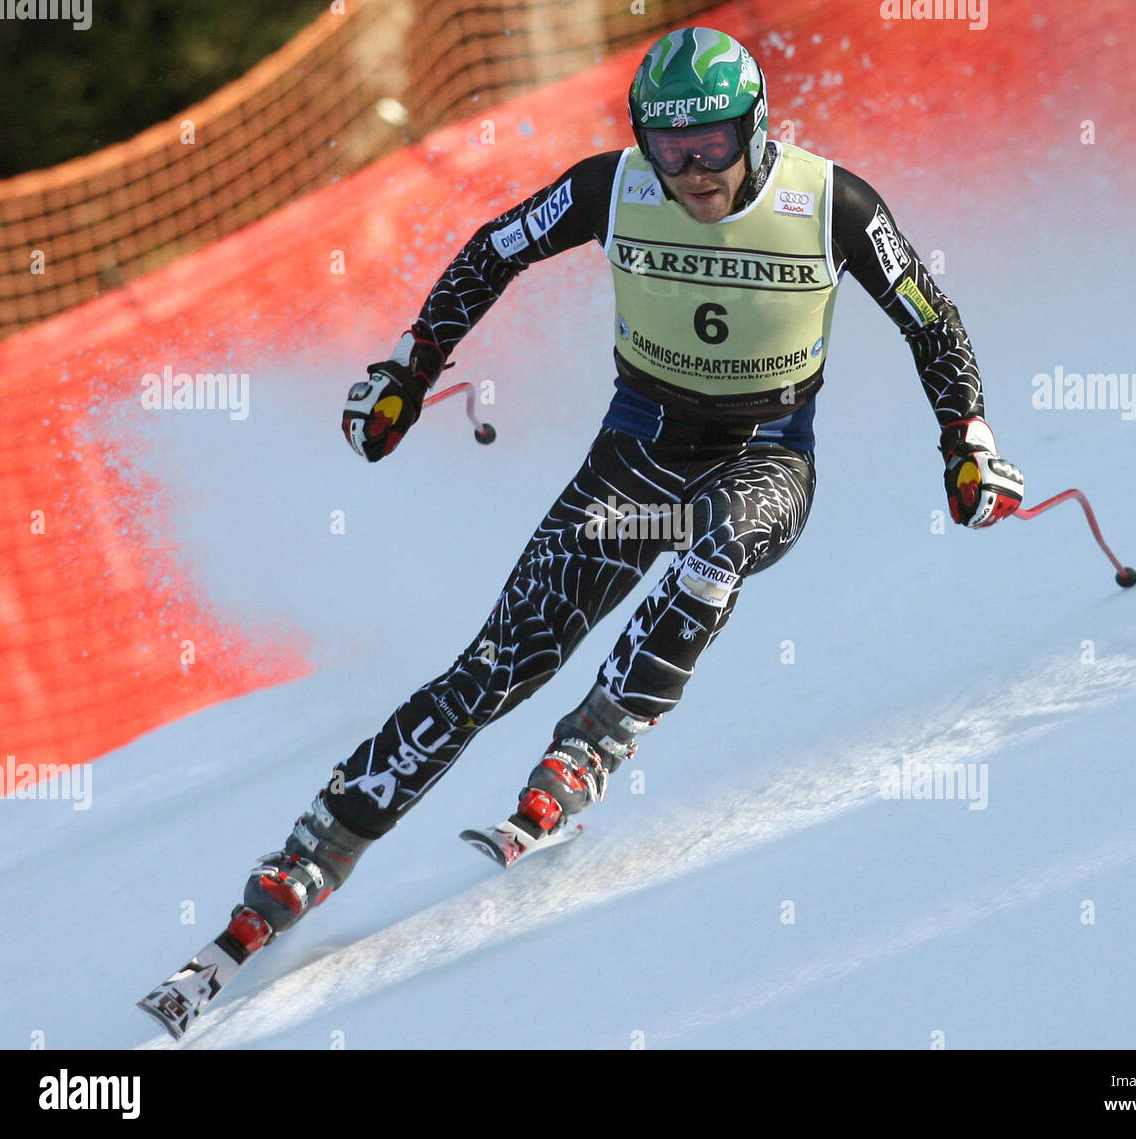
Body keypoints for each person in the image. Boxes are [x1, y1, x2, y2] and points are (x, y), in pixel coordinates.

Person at [225, 26, 1024, 950]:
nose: (693, 172)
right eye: (670, 148)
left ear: (754, 128)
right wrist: (411, 368)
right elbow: (494, 251)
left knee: (719, 546)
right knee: (498, 663)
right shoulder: (614, 187)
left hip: (766, 455)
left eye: (712, 144)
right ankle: (319, 844)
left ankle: (594, 740)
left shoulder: (830, 202)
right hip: (636, 455)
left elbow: (931, 318)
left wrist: (967, 440)